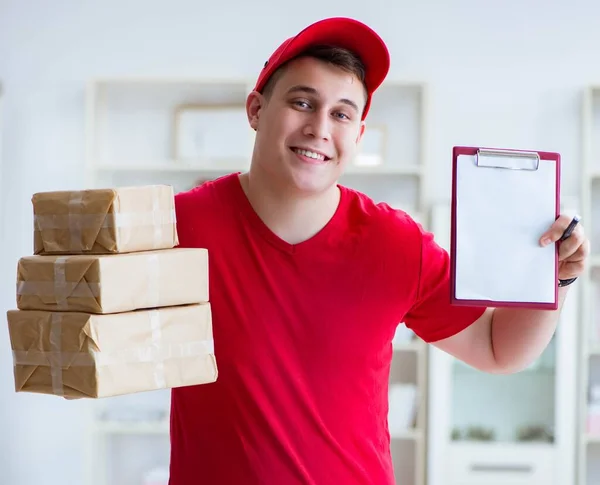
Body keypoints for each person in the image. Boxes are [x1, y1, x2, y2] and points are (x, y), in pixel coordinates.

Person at [169, 16, 590, 485]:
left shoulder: (395, 243)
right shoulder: (179, 225)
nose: (319, 127)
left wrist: (555, 277)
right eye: (302, 102)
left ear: (360, 135)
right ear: (256, 110)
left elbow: (496, 349)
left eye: (342, 113)